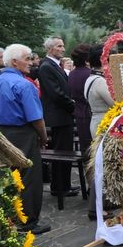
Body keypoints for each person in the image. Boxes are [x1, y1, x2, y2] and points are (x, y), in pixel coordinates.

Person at [0, 44, 51, 234]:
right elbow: (36, 118)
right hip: (23, 133)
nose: (31, 63)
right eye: (28, 59)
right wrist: (43, 136)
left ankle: (9, 218)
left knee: (7, 177)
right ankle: (29, 221)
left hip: (1, 132)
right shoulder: (24, 84)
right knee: (30, 177)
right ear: (15, 62)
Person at [38, 37, 78, 197]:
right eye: (59, 46)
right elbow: (56, 93)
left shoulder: (54, 65)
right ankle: (59, 187)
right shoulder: (46, 66)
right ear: (50, 49)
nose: (63, 49)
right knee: (62, 153)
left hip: (62, 115)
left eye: (63, 46)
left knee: (65, 152)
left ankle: (64, 185)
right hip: (58, 116)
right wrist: (73, 105)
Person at [84, 44, 114, 220]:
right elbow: (114, 102)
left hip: (97, 120)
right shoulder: (100, 81)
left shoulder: (91, 78)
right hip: (103, 122)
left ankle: (105, 201)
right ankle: (96, 208)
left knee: (103, 163)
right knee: (102, 165)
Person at [67, 44, 92, 178]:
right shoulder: (89, 74)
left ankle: (89, 181)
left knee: (85, 149)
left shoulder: (72, 73)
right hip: (89, 113)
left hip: (79, 113)